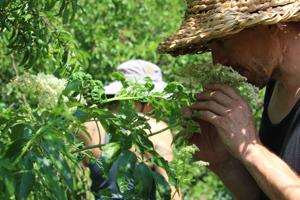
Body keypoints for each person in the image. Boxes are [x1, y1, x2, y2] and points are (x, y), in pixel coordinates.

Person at [159, 1, 300, 200]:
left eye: (223, 42)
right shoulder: (275, 87)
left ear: (269, 23)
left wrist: (250, 148)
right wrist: (223, 161)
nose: (218, 61)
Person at [80, 60, 181, 199]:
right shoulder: (158, 129)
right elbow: (171, 192)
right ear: (146, 99)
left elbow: (74, 185)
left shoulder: (89, 126)